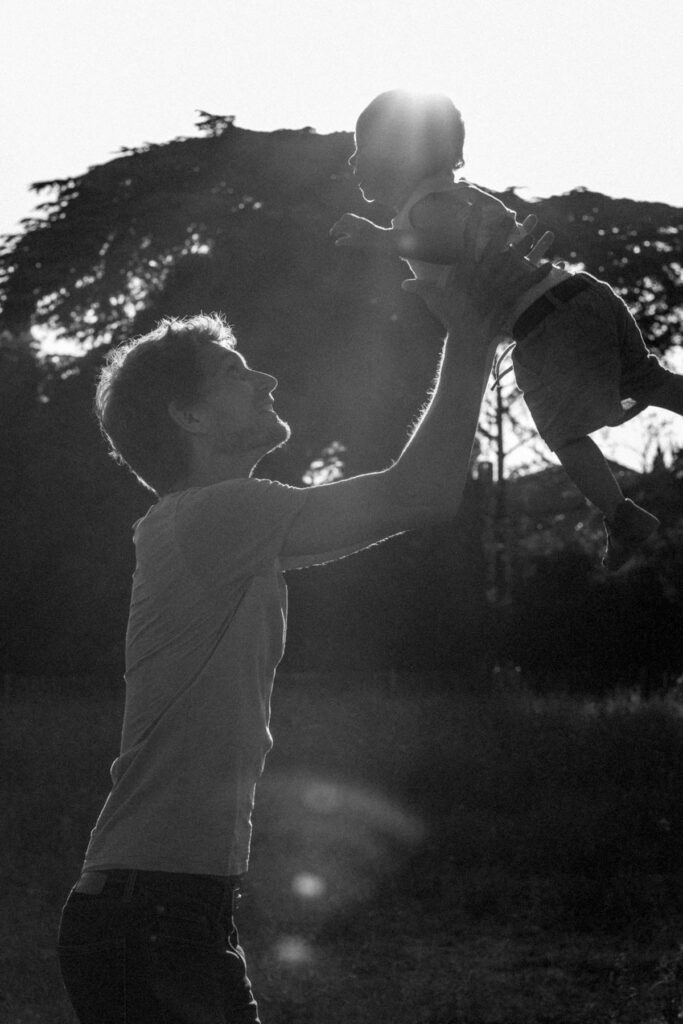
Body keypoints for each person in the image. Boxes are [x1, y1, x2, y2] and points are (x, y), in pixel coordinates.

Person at [56, 207, 544, 1022]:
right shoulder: (211, 516)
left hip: (167, 914)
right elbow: (421, 492)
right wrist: (470, 332)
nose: (267, 380)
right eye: (236, 371)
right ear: (189, 416)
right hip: (151, 919)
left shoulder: (219, 529)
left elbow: (417, 494)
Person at [330, 89, 683, 570]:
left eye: (362, 148)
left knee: (565, 436)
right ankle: (623, 510)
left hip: (543, 325)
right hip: (582, 294)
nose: (353, 161)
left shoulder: (424, 208)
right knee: (649, 380)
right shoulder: (461, 194)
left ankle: (620, 515)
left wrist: (381, 239)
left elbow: (447, 245)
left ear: (400, 156)